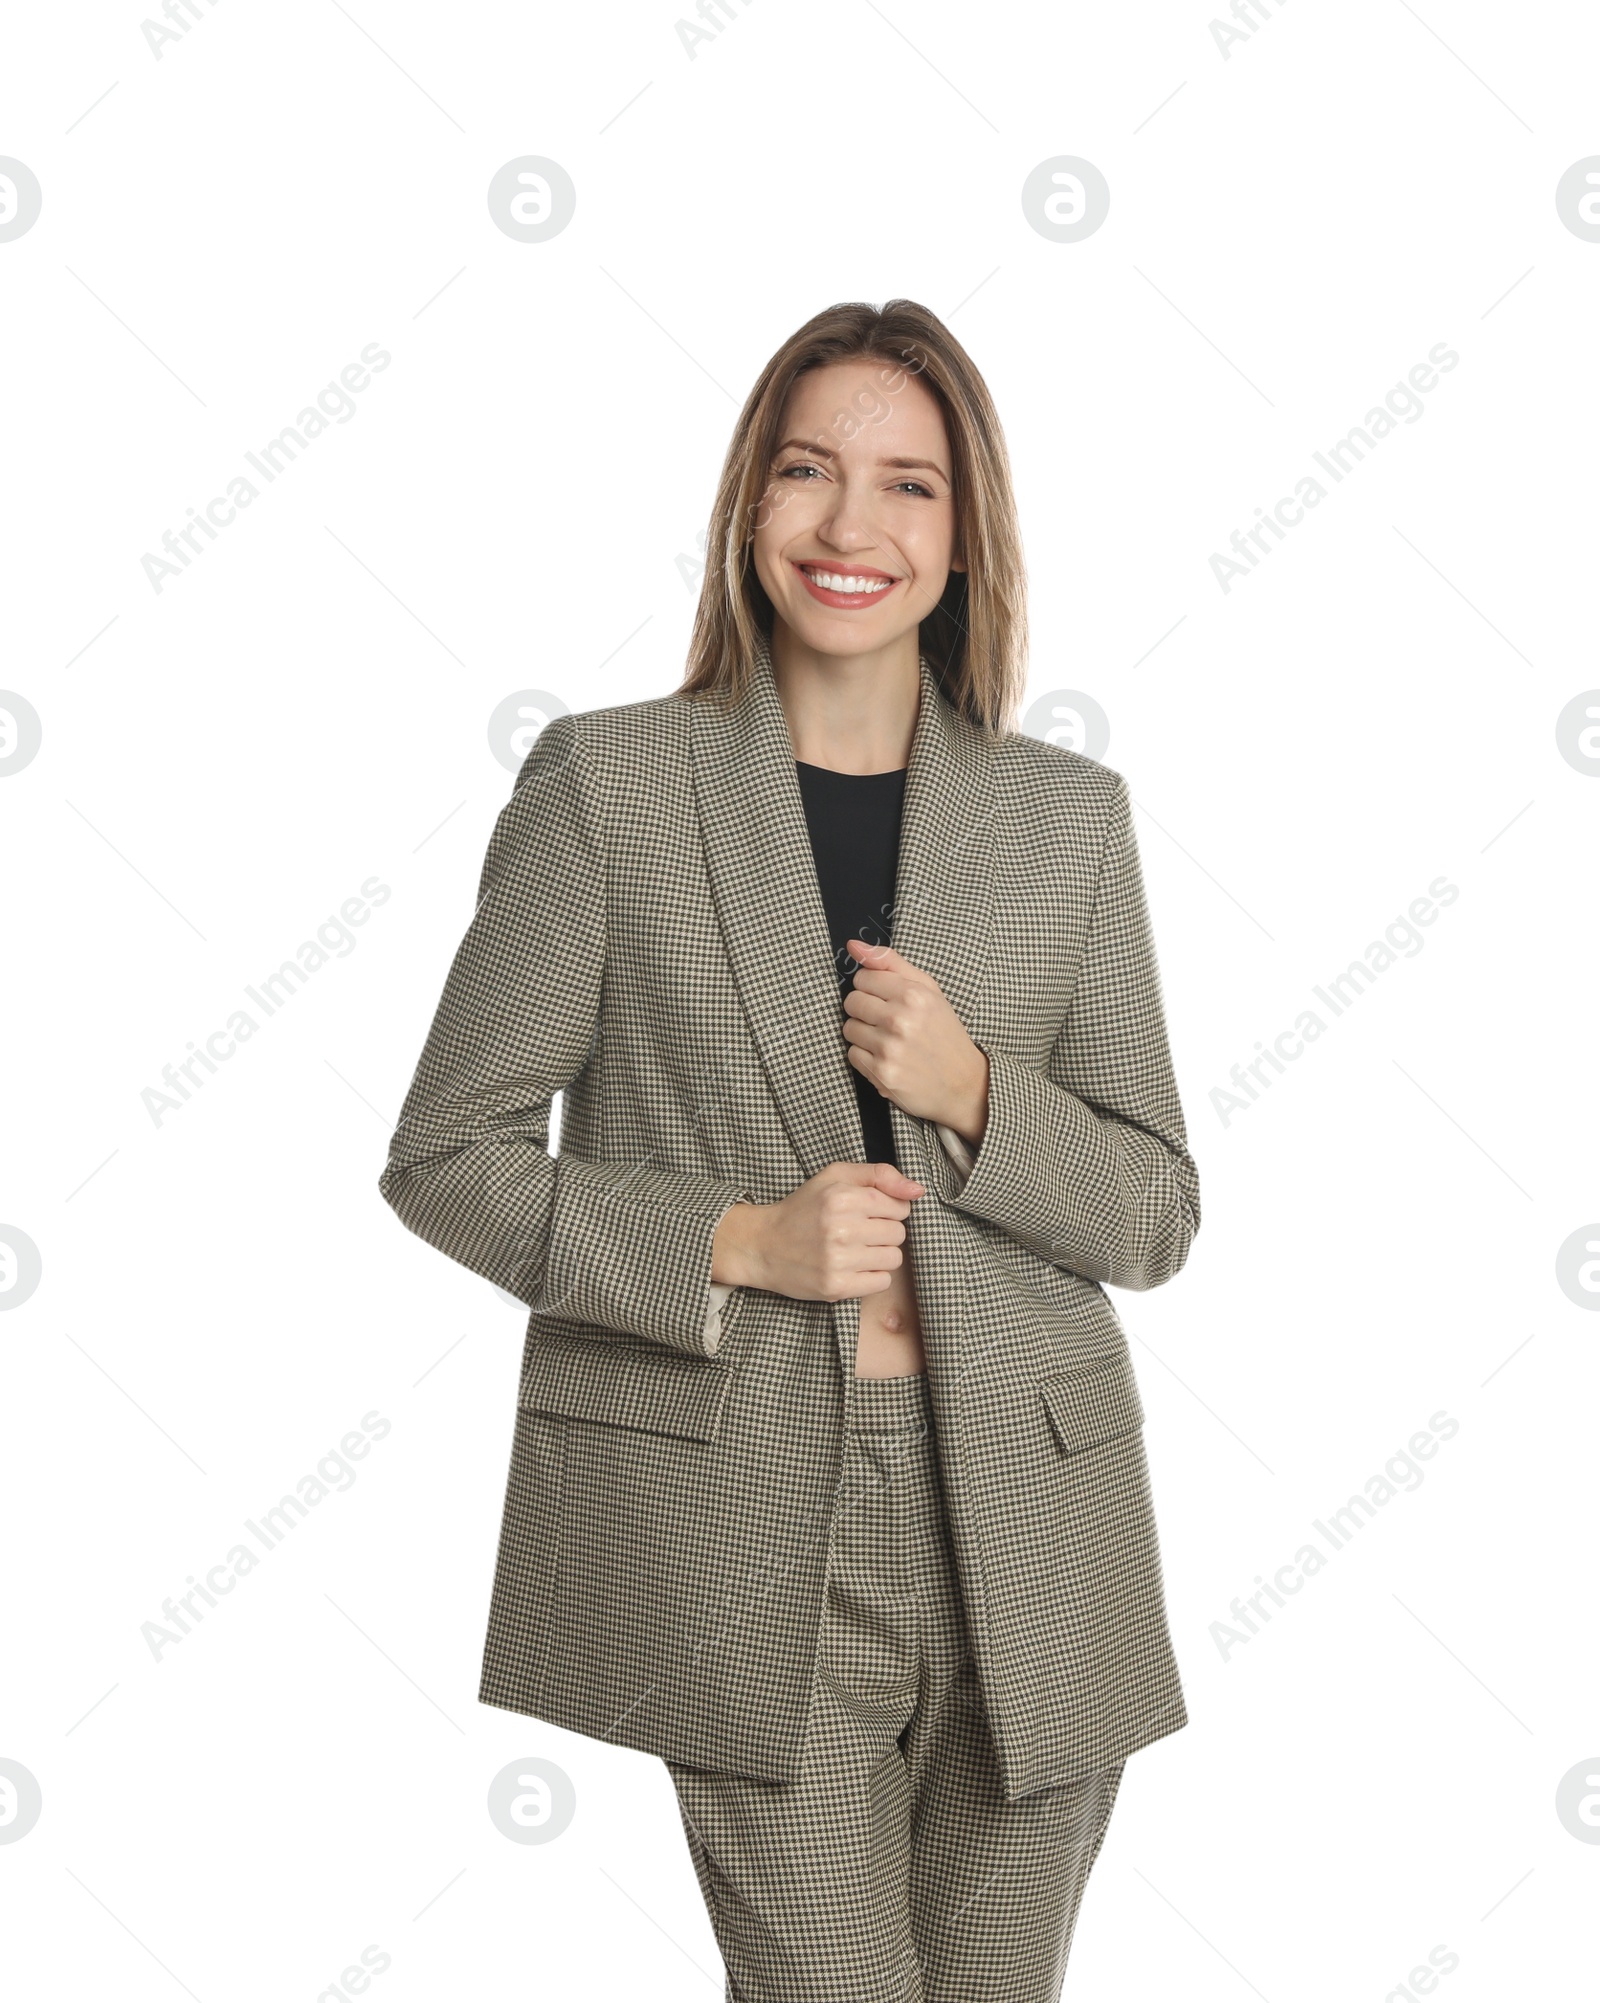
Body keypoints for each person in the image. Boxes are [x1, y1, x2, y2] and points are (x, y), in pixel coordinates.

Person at [379, 298, 1201, 2001]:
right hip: (745, 1523)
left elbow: (1158, 1210)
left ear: (964, 534)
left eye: (908, 486)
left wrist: (983, 1094)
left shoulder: (1065, 822)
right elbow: (445, 1152)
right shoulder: (610, 789)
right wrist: (733, 1242)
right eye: (809, 471)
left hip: (1036, 1531)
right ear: (748, 501)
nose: (852, 527)